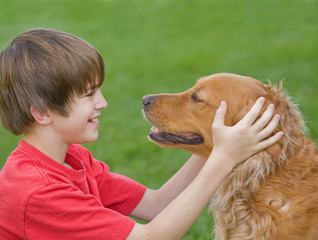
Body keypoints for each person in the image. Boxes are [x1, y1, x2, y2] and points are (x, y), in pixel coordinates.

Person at [0, 28, 283, 240]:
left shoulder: (73, 158)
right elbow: (151, 237)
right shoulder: (38, 191)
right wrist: (223, 159)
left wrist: (216, 139)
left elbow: (156, 204)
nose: (103, 102)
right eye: (89, 95)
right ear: (42, 113)